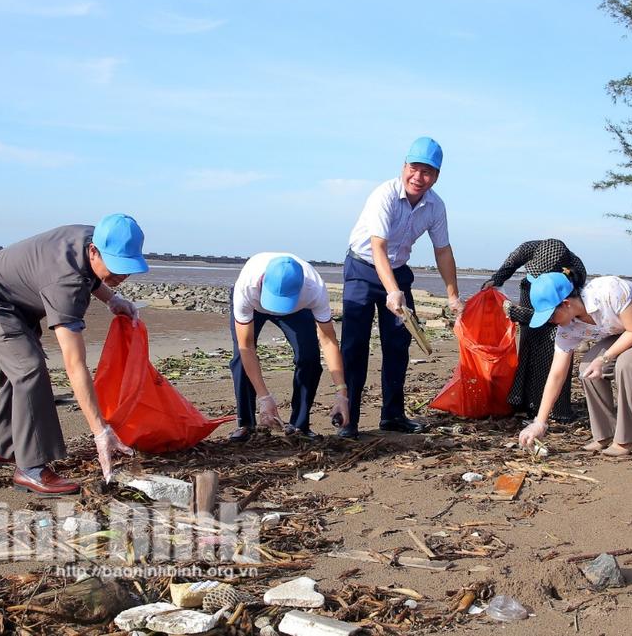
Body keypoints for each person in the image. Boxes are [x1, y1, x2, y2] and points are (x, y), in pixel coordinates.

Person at [0, 215, 148, 495]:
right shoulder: (64, 283)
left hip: (10, 297)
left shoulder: (96, 238)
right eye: (116, 267)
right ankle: (30, 468)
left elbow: (88, 273)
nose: (121, 276)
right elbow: (74, 363)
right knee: (28, 368)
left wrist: (112, 299)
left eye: (128, 268)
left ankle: (1, 447)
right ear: (94, 250)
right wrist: (100, 431)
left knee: (18, 368)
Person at [340, 136, 463, 439]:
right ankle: (349, 420)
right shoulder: (383, 195)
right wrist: (391, 292)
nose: (419, 178)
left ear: (436, 176)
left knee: (398, 346)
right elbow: (378, 247)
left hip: (398, 270)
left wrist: (452, 296)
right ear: (404, 166)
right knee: (355, 346)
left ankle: (392, 415)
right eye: (414, 169)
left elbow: (443, 250)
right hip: (362, 269)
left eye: (428, 172)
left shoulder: (436, 206)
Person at [518, 272, 632, 457]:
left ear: (566, 304)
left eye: (550, 315)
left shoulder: (606, 291)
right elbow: (557, 374)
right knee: (586, 369)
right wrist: (540, 422)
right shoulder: (568, 329)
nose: (549, 322)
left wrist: (604, 358)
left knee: (627, 364)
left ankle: (627, 439)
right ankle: (605, 434)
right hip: (625, 329)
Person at [228, 252, 348, 441]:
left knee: (309, 358)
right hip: (255, 304)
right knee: (240, 359)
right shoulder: (247, 286)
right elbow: (247, 346)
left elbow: (328, 340)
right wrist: (264, 397)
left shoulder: (314, 288)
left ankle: (299, 425)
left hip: (296, 310)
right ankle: (246, 424)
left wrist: (342, 393)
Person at [481, 239, 587, 421]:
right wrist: (496, 279)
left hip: (556, 301)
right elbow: (511, 263)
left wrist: (520, 314)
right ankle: (523, 400)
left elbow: (562, 316)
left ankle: (553, 407)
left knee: (550, 351)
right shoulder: (529, 248)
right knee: (529, 343)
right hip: (532, 292)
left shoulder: (576, 268)